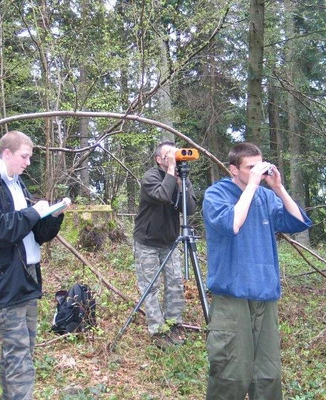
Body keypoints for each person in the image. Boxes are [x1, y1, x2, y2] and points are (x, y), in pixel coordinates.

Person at [202, 142, 312, 400]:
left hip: (265, 295)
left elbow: (297, 222)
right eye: (250, 168)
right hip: (232, 296)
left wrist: (278, 188)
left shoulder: (266, 196)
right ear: (233, 169)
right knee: (231, 374)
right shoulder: (216, 194)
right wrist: (251, 186)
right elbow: (232, 224)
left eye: (259, 167)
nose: (257, 173)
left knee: (268, 375)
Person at [0, 130, 69, 399]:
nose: (28, 163)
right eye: (24, 156)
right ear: (7, 153)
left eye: (30, 157)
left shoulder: (16, 184)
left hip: (26, 277)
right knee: (19, 353)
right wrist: (31, 213)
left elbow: (35, 233)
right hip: (1, 280)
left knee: (22, 350)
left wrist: (52, 216)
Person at [133, 141, 197, 349]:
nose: (174, 158)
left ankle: (173, 323)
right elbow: (161, 196)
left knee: (175, 284)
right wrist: (171, 172)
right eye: (169, 155)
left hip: (170, 241)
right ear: (159, 159)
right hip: (147, 241)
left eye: (175, 154)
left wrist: (181, 183)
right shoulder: (150, 177)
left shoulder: (181, 176)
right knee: (150, 286)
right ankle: (158, 330)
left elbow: (191, 208)